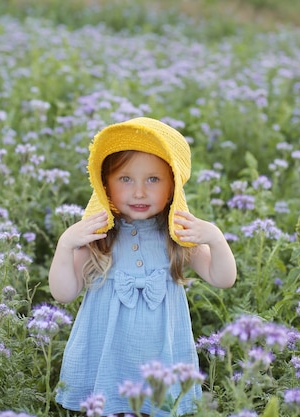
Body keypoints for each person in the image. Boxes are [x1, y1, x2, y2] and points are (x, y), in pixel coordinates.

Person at [49, 117, 237, 416]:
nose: (139, 192)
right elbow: (63, 293)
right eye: (125, 179)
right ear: (106, 185)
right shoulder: (100, 235)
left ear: (172, 187)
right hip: (108, 353)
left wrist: (214, 238)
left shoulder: (178, 235)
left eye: (153, 179)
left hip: (160, 352)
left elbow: (223, 278)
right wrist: (66, 244)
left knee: (157, 405)